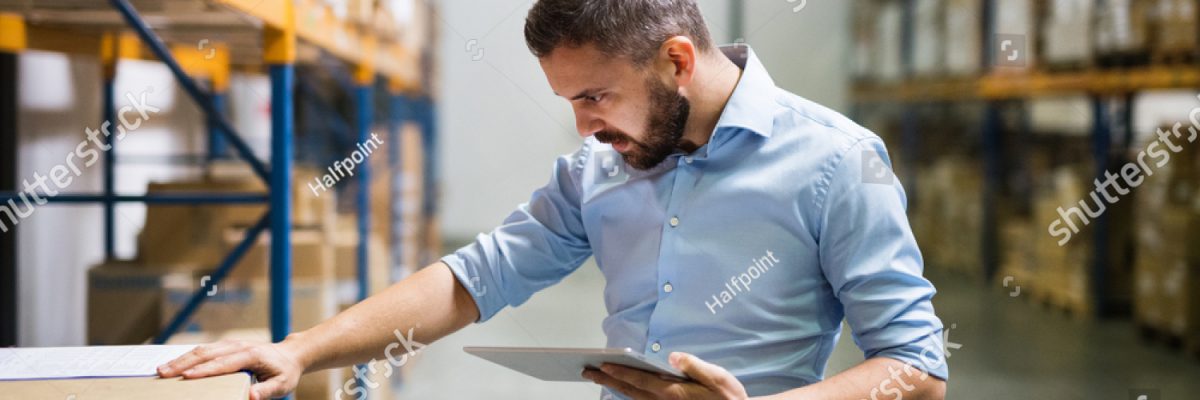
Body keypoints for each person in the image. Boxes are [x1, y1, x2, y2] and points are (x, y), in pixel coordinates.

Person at [159, 1, 949, 399]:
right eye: (571, 101)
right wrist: (303, 348)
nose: (583, 125)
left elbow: (916, 368)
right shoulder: (596, 171)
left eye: (597, 96)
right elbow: (475, 277)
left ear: (677, 60)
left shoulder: (837, 161)